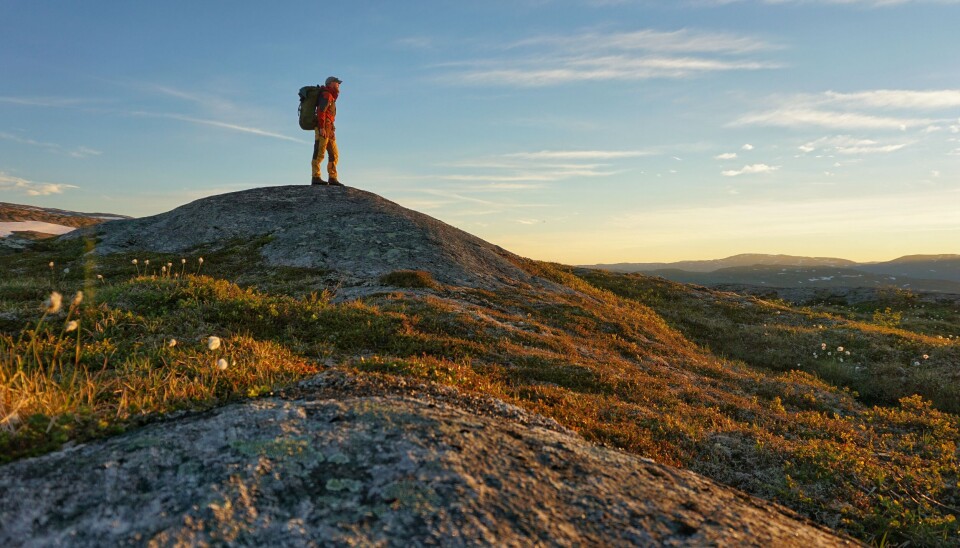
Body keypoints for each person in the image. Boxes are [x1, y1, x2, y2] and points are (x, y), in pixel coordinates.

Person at [311, 76, 343, 186]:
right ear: (330, 84)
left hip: (330, 129)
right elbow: (321, 111)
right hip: (324, 127)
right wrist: (321, 128)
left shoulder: (331, 96)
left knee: (334, 154)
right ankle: (316, 176)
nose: (338, 85)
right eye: (336, 83)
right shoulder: (326, 94)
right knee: (319, 153)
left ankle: (332, 177)